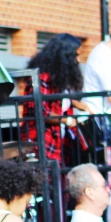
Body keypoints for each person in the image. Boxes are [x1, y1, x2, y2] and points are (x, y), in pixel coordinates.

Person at [21, 33, 88, 163]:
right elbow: (41, 111)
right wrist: (67, 120)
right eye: (76, 55)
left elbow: (56, 102)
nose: (78, 60)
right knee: (48, 181)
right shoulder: (41, 79)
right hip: (41, 143)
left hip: (58, 142)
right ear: (64, 56)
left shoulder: (57, 78)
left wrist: (73, 103)